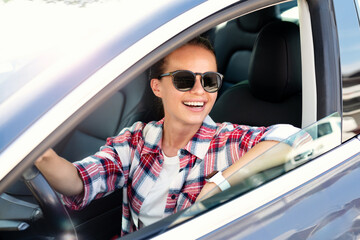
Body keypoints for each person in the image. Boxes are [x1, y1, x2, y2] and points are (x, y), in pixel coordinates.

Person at [35, 36, 300, 236]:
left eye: (209, 81)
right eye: (184, 80)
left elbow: (293, 138)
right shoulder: (136, 140)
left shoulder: (224, 142)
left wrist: (215, 186)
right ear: (157, 87)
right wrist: (39, 155)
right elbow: (77, 181)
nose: (199, 91)